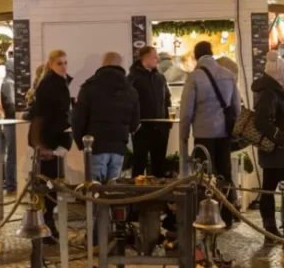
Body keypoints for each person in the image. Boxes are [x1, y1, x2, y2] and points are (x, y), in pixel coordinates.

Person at [180, 41, 242, 226]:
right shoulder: (228, 75)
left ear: (196, 56)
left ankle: (206, 217)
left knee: (204, 176)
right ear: (212, 53)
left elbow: (186, 112)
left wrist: (183, 136)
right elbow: (237, 108)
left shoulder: (194, 77)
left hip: (203, 133)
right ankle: (227, 215)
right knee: (225, 172)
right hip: (224, 133)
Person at [72, 52, 140, 182]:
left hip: (96, 144)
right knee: (112, 189)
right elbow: (135, 123)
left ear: (103, 64)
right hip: (119, 146)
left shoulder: (89, 86)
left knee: (94, 190)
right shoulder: (130, 90)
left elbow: (78, 118)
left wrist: (81, 143)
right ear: (120, 65)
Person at [252, 51, 284, 239]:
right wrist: (281, 139)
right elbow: (261, 121)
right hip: (277, 150)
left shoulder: (273, 90)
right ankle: (276, 229)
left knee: (275, 189)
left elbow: (274, 117)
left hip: (278, 151)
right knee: (276, 189)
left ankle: (279, 229)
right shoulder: (271, 92)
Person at [28, 50, 73, 239]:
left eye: (65, 63)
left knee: (53, 183)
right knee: (47, 184)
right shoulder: (48, 85)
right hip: (49, 141)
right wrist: (39, 144)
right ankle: (45, 225)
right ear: (51, 64)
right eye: (59, 63)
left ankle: (48, 223)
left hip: (58, 139)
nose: (63, 67)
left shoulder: (60, 83)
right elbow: (40, 116)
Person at [129, 46, 173, 177]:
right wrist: (133, 125)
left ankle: (159, 194)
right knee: (139, 163)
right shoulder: (133, 78)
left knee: (159, 164)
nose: (158, 59)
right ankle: (136, 195)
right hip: (141, 128)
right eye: (155, 56)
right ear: (145, 57)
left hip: (160, 127)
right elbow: (129, 102)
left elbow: (167, 99)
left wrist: (167, 123)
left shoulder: (160, 77)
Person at [1, 53, 18, 194]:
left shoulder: (10, 82)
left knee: (13, 154)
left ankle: (12, 182)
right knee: (12, 154)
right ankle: (11, 184)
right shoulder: (8, 83)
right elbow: (10, 104)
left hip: (11, 121)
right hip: (10, 122)